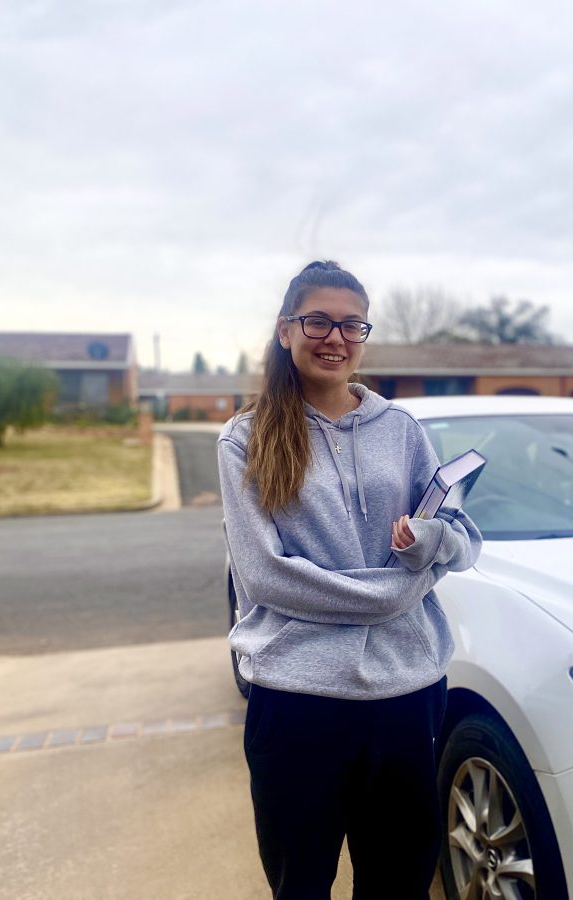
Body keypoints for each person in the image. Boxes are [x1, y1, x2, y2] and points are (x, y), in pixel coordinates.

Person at [217, 260, 482, 900]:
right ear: (286, 330)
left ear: (364, 336)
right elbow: (266, 574)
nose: (334, 337)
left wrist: (428, 542)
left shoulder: (402, 430)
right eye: (318, 321)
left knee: (399, 881)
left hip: (408, 694)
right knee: (300, 882)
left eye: (351, 325)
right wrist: (394, 592)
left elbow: (464, 542)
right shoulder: (245, 439)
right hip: (298, 698)